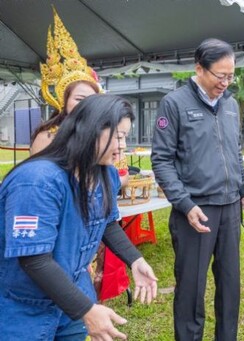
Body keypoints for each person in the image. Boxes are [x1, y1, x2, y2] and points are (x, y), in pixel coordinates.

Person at [0, 95, 158, 340]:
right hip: (24, 305)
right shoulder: (37, 182)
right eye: (118, 136)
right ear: (90, 130)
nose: (123, 146)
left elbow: (107, 222)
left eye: (125, 137)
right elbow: (33, 259)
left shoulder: (105, 173)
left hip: (73, 292)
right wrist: (86, 310)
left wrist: (135, 260)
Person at [151, 38, 244, 341]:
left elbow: (235, 151)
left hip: (229, 208)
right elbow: (161, 160)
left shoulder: (231, 105)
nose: (225, 83)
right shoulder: (174, 104)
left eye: (230, 75)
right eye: (219, 76)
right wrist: (184, 204)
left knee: (229, 284)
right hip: (195, 212)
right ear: (199, 68)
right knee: (190, 289)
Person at [31, 8, 100, 155]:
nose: (85, 104)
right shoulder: (47, 137)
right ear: (64, 101)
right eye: (79, 99)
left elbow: (119, 173)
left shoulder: (101, 133)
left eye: (91, 100)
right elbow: (38, 176)